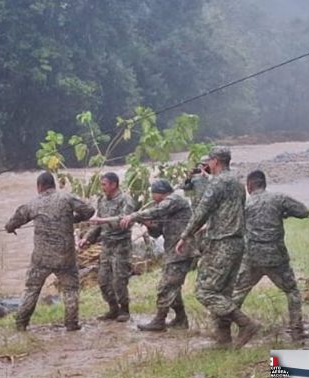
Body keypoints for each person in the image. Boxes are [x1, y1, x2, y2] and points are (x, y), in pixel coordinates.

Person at [176, 146, 260, 348]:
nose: (208, 165)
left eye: (209, 161)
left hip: (221, 242)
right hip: (238, 242)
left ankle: (246, 323)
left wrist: (185, 235)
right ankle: (223, 339)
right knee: (223, 292)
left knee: (205, 291)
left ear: (215, 161)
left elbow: (201, 212)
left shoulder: (217, 183)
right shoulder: (238, 183)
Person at [102, 179, 196, 332]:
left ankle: (160, 320)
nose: (153, 199)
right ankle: (181, 318)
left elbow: (157, 211)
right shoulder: (168, 206)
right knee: (173, 287)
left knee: (165, 286)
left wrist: (134, 216)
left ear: (160, 193)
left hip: (182, 251)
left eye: (153, 195)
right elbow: (158, 231)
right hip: (174, 250)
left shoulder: (174, 199)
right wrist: (146, 223)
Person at [4, 171, 94, 331]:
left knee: (32, 288)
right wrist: (74, 219)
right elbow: (89, 210)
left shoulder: (33, 204)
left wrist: (11, 228)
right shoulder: (67, 199)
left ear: (39, 186)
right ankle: (72, 324)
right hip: (65, 256)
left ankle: (21, 323)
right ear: (53, 184)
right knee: (71, 289)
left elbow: (13, 222)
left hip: (41, 259)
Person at [231, 170, 309, 341]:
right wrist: (286, 213)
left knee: (237, 293)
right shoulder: (278, 199)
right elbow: (304, 212)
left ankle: (225, 328)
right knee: (292, 291)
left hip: (252, 257)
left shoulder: (245, 205)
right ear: (264, 184)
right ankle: (297, 330)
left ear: (249, 186)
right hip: (276, 257)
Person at [79, 172, 137, 322]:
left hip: (121, 245)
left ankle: (124, 310)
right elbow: (98, 225)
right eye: (102, 184)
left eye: (104, 184)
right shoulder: (102, 200)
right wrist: (87, 239)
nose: (102, 187)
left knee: (119, 279)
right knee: (103, 280)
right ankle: (113, 308)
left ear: (114, 184)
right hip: (107, 245)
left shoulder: (126, 200)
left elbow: (123, 221)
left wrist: (101, 220)